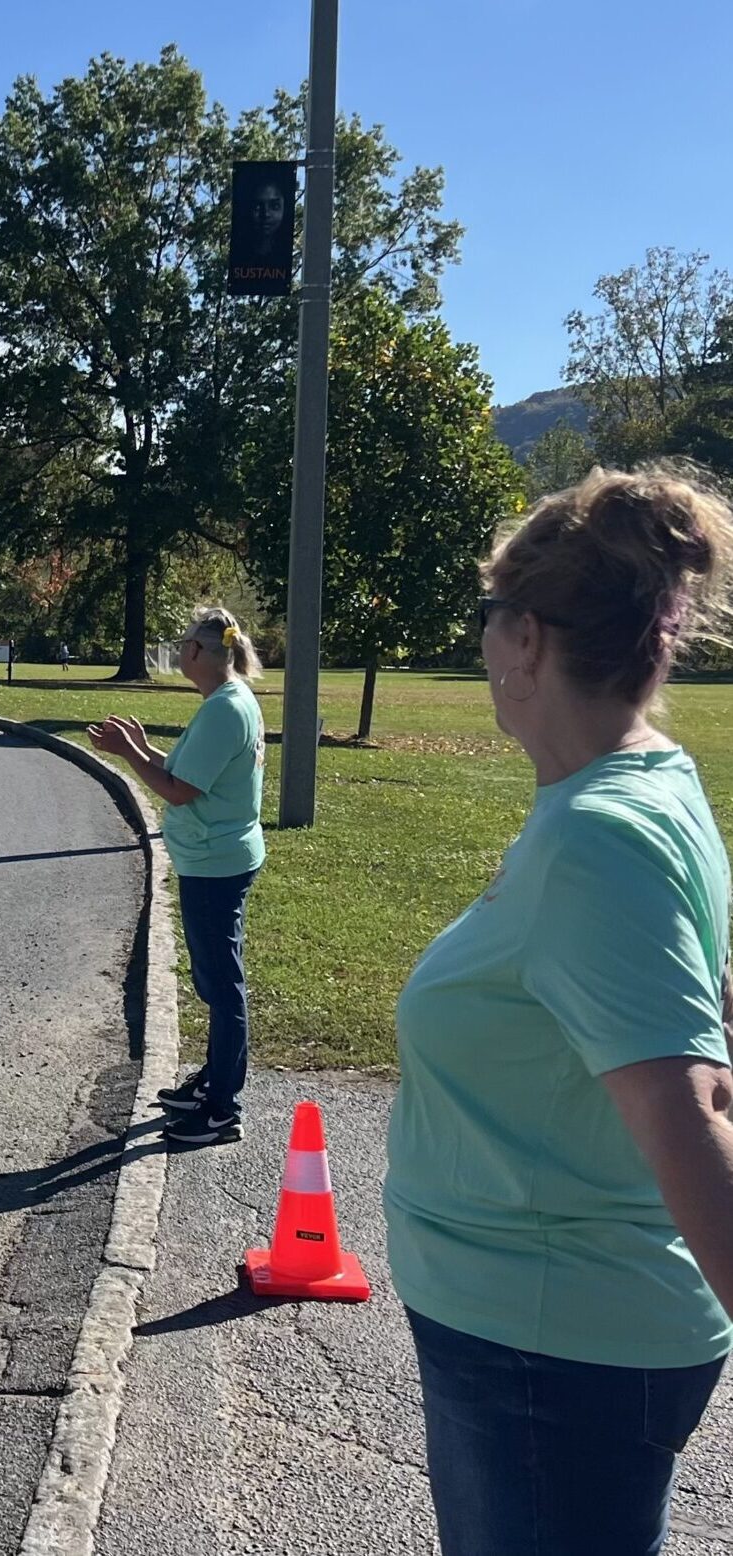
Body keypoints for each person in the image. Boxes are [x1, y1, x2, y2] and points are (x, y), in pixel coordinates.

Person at [384, 465, 733, 1556]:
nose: (483, 648)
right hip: (546, 1330)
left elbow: (695, 1112)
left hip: (547, 1350)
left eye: (486, 621)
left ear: (525, 638)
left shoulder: (597, 835)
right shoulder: (636, 785)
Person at [89, 607, 265, 1147]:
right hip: (215, 857)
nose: (180, 650)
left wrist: (126, 756)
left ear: (196, 653)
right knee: (215, 981)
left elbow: (179, 791)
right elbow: (189, 772)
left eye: (184, 642)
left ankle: (221, 1109)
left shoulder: (223, 709)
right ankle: (213, 1080)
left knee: (222, 986)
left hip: (216, 862)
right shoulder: (226, 702)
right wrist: (140, 749)